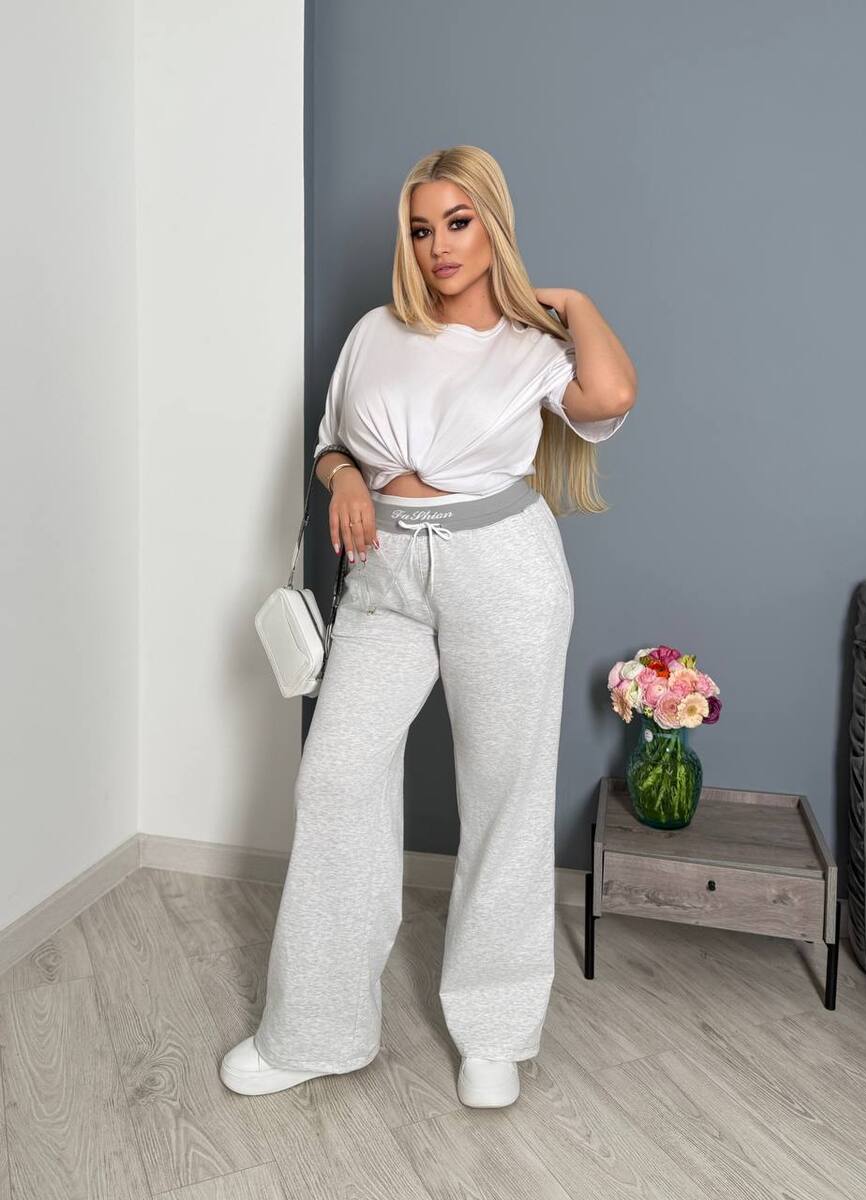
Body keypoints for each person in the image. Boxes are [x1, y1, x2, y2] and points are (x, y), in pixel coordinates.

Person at [221, 144, 636, 1108]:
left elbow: (611, 397)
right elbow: (330, 444)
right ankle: (315, 1030)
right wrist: (344, 479)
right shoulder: (374, 333)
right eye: (421, 229)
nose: (439, 245)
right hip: (385, 576)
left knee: (504, 795)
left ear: (491, 225)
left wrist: (569, 301)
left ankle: (494, 1030)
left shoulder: (534, 346)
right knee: (334, 782)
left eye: (458, 222)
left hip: (504, 570)